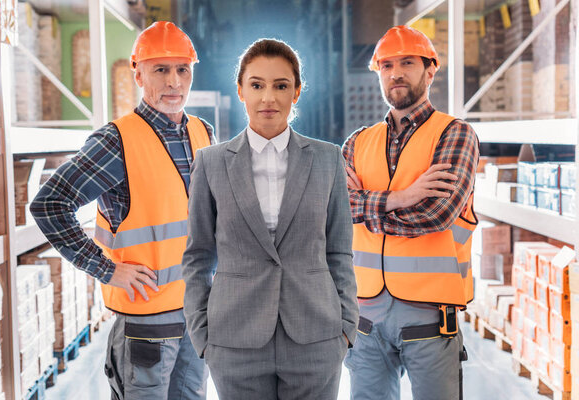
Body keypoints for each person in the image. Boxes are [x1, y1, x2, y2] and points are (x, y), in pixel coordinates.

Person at [30, 21, 214, 400]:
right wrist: (107, 269)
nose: (173, 82)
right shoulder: (116, 141)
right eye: (160, 70)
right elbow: (49, 203)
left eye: (182, 69)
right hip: (146, 325)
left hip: (197, 314)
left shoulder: (203, 133)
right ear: (138, 72)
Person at [182, 38, 359, 399]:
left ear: (296, 93)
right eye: (257, 85)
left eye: (281, 86)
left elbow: (339, 251)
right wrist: (203, 336)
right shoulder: (211, 163)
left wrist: (345, 329)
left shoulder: (327, 159)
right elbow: (198, 256)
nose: (268, 98)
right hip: (234, 340)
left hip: (316, 337)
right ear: (241, 91)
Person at [342, 25, 479, 400]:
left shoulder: (455, 135)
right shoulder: (358, 141)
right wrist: (401, 198)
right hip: (366, 315)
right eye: (386, 65)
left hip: (430, 317)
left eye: (407, 62)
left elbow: (437, 213)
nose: (395, 73)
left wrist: (365, 204)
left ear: (430, 70)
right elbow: (335, 209)